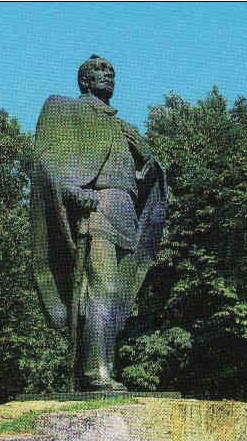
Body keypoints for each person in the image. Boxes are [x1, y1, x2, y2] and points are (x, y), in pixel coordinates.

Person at [30, 54, 168, 391]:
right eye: (98, 70)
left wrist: (147, 166)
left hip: (125, 210)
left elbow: (145, 169)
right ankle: (94, 373)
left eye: (110, 71)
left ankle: (103, 367)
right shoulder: (66, 109)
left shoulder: (121, 126)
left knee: (117, 295)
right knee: (101, 288)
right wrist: (72, 190)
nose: (107, 75)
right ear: (84, 81)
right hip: (97, 208)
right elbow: (45, 159)